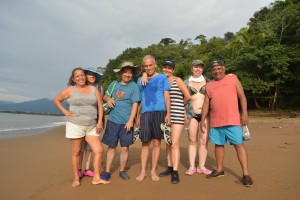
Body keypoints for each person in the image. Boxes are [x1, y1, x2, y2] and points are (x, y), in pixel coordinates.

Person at [53, 67, 110, 187]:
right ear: (73, 79)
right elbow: (57, 100)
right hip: (75, 125)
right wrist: (66, 112)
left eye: (82, 75)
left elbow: (100, 106)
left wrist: (100, 121)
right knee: (76, 152)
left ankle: (96, 178)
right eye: (77, 76)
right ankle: (76, 178)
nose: (80, 77)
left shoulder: (94, 89)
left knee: (99, 150)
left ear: (85, 76)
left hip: (91, 125)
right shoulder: (70, 90)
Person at [200, 60, 253, 187]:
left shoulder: (233, 79)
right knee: (218, 145)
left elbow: (242, 97)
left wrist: (244, 114)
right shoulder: (209, 85)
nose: (217, 71)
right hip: (216, 121)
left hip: (233, 120)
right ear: (211, 71)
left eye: (219, 68)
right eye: (214, 69)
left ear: (224, 68)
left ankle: (246, 174)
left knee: (239, 145)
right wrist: (202, 119)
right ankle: (219, 169)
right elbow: (206, 104)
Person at [101, 62, 141, 182]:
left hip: (126, 123)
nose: (128, 74)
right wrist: (107, 99)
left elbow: (135, 105)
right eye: (125, 71)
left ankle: (122, 170)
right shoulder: (114, 84)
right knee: (111, 147)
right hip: (113, 121)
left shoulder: (134, 87)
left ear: (132, 74)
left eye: (130, 72)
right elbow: (104, 96)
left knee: (124, 148)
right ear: (121, 73)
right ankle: (107, 172)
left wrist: (130, 121)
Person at [154, 60, 191, 184]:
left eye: (170, 68)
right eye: (165, 67)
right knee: (168, 143)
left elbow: (188, 96)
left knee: (174, 143)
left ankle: (175, 172)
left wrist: (180, 106)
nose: (167, 70)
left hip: (177, 115)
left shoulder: (178, 80)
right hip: (165, 116)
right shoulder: (160, 80)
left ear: (173, 70)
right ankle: (169, 168)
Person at [135, 55, 171, 182]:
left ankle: (153, 171)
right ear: (143, 67)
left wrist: (168, 113)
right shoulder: (140, 80)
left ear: (155, 64)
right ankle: (143, 171)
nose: (148, 67)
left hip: (160, 111)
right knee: (145, 143)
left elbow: (167, 96)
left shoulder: (162, 78)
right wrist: (137, 116)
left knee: (157, 142)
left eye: (150, 65)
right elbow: (138, 100)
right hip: (145, 113)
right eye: (146, 66)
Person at [184, 60, 212, 176]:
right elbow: (182, 98)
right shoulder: (186, 82)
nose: (198, 69)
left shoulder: (209, 81)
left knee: (204, 141)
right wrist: (184, 113)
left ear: (203, 69)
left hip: (205, 115)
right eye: (196, 67)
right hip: (192, 114)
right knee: (192, 140)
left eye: (200, 67)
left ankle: (201, 166)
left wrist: (232, 75)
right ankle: (191, 166)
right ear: (192, 68)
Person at [77, 67, 104, 178]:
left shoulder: (100, 88)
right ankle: (79, 169)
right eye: (89, 74)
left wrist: (100, 122)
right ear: (85, 76)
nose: (92, 76)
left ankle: (87, 169)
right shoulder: (81, 88)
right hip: (82, 120)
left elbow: (100, 103)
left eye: (94, 74)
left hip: (96, 119)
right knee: (80, 147)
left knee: (90, 147)